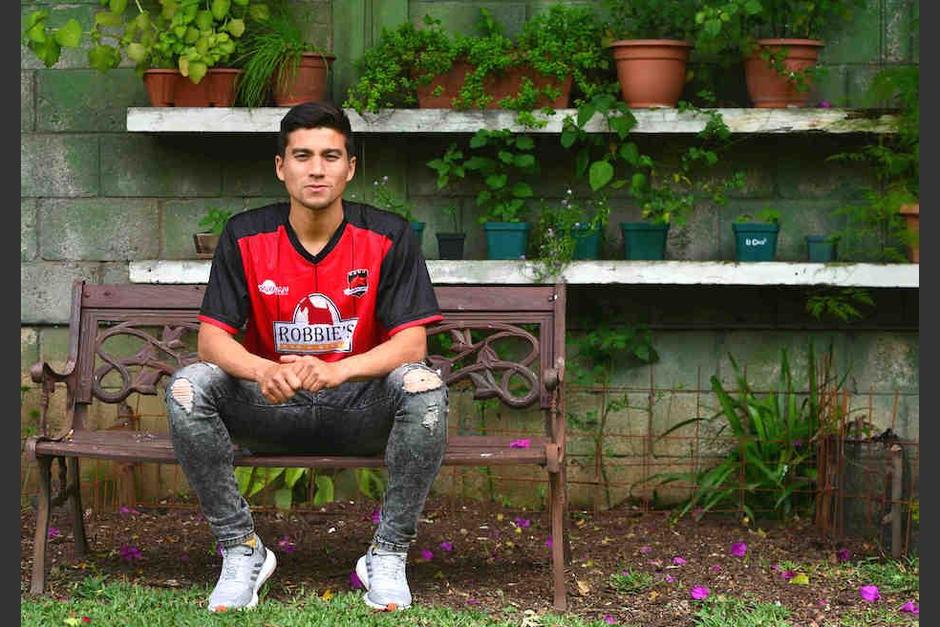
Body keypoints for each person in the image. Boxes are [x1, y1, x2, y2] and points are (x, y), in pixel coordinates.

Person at [163, 101, 448, 613]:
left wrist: (338, 369)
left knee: (424, 386)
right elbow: (212, 340)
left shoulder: (388, 235)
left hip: (360, 410)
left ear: (350, 167)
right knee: (190, 385)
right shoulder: (245, 235)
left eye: (331, 156)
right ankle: (241, 550)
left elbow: (412, 345)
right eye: (302, 155)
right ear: (281, 166)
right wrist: (263, 369)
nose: (316, 169)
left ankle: (388, 554)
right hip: (270, 408)